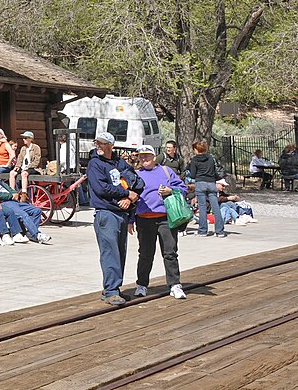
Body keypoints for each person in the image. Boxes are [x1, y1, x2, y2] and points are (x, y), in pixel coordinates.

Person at [86, 131, 139, 306]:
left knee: (120, 252)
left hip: (121, 213)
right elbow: (100, 188)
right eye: (97, 143)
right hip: (106, 213)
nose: (98, 146)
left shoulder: (119, 162)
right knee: (110, 252)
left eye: (102, 143)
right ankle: (111, 291)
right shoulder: (95, 164)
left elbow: (136, 181)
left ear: (111, 145)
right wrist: (125, 193)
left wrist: (130, 197)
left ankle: (114, 288)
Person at [130, 145, 188, 300]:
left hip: (165, 219)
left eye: (147, 156)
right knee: (145, 254)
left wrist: (171, 190)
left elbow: (183, 188)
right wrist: (130, 220)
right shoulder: (135, 175)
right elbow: (130, 199)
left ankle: (175, 285)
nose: (144, 159)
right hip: (144, 220)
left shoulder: (166, 171)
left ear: (154, 157)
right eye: (141, 156)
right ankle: (142, 285)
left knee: (170, 253)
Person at [0, 164, 51, 244]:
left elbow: (9, 188)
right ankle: (37, 235)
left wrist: (14, 193)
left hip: (14, 201)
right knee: (23, 214)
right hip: (5, 202)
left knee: (37, 210)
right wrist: (11, 195)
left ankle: (31, 232)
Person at [187, 140, 226, 237]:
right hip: (211, 182)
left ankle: (203, 230)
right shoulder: (211, 158)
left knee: (202, 207)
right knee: (215, 207)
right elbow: (215, 171)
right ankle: (219, 231)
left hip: (200, 183)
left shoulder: (195, 160)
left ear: (196, 150)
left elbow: (192, 174)